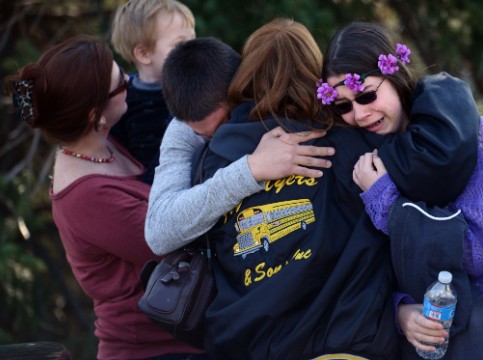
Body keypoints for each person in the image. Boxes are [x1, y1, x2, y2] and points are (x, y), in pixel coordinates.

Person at [196, 18, 481, 359]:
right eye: (345, 103)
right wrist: (444, 89)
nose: (358, 113)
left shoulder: (213, 159)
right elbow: (433, 165)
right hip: (345, 343)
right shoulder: (350, 147)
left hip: (241, 344)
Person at [320, 22, 483, 359]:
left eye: (367, 95)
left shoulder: (467, 136)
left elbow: (474, 254)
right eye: (342, 106)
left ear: (395, 75)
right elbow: (372, 266)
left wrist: (383, 198)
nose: (358, 114)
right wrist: (400, 311)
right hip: (417, 343)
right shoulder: (364, 158)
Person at [5, 35, 205, 359]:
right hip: (155, 350)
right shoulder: (87, 198)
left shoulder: (101, 143)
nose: (131, 80)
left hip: (185, 335)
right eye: (120, 84)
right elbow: (177, 232)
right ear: (93, 115)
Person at [145, 36, 335, 255]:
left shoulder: (268, 92)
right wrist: (251, 169)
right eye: (203, 135)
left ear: (240, 89)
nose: (218, 140)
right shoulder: (182, 128)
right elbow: (158, 233)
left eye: (223, 124)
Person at [110, 0, 196, 184]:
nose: (194, 50)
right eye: (181, 44)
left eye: (193, 40)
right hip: (152, 192)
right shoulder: (123, 101)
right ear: (144, 54)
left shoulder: (201, 84)